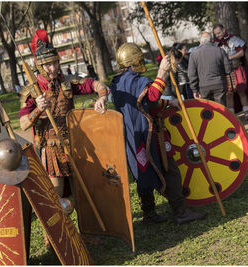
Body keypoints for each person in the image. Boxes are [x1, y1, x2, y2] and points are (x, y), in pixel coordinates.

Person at [110, 42, 206, 224]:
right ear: (135, 61)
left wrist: (167, 103)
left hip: (132, 136)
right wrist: (162, 72)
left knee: (141, 170)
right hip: (149, 134)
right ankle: (180, 212)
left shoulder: (117, 82)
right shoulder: (136, 81)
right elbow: (152, 97)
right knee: (169, 168)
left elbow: (147, 103)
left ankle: (149, 213)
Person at [19, 29, 108, 198]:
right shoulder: (31, 93)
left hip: (74, 145)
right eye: (48, 65)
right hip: (50, 151)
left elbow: (97, 85)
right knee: (58, 200)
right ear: (40, 66)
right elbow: (23, 124)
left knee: (83, 196)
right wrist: (38, 109)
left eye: (55, 63)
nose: (53, 68)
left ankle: (87, 225)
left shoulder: (67, 83)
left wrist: (102, 97)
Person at [213, 24, 248, 120]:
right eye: (216, 34)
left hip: (236, 68)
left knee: (241, 91)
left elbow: (241, 53)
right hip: (225, 72)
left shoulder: (233, 39)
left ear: (224, 30)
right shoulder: (215, 44)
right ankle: (232, 118)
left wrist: (229, 58)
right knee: (229, 94)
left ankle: (247, 114)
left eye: (219, 33)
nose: (218, 35)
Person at [188, 32, 232, 106]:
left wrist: (194, 90)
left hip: (203, 86)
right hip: (219, 84)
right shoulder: (220, 51)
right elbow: (228, 69)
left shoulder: (194, 54)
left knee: (206, 111)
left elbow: (192, 74)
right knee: (221, 110)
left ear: (200, 41)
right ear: (212, 41)